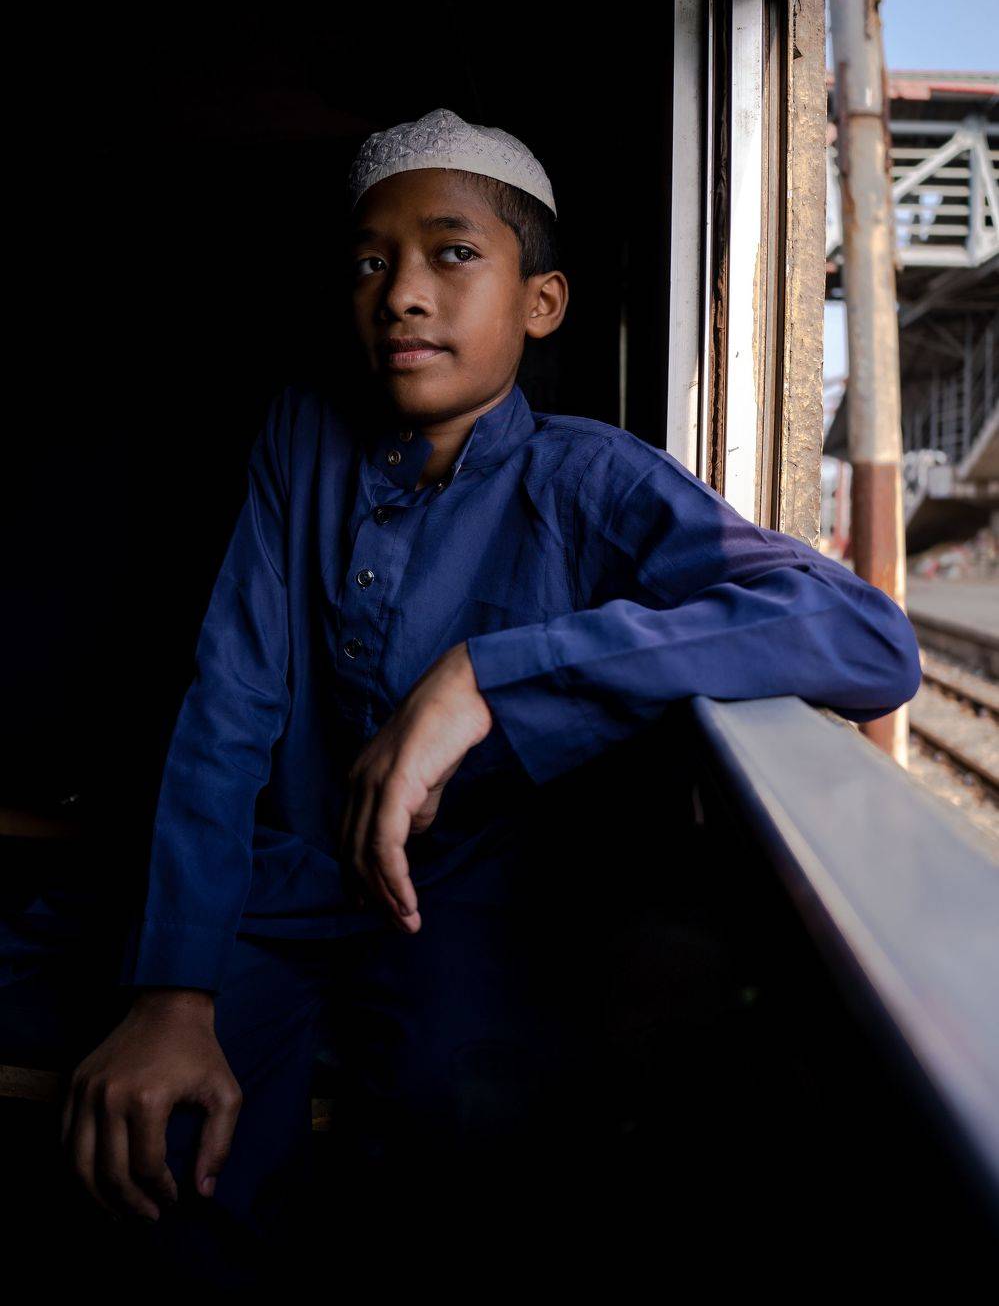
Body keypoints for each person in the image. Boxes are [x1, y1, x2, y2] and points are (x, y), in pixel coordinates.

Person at [1, 107, 923, 1285]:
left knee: (475, 1144)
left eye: (452, 254)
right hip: (275, 892)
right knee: (160, 1147)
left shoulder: (588, 477)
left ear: (541, 303)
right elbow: (226, 711)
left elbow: (864, 636)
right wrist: (172, 994)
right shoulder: (302, 439)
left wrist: (492, 673)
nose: (402, 294)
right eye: (369, 263)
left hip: (485, 910)